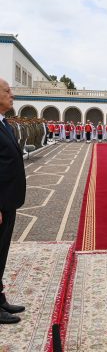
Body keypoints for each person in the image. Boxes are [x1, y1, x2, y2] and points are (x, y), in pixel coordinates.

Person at [0, 78, 27, 324]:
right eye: (7, 91)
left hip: (8, 200)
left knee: (1, 251)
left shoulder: (4, 123)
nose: (12, 95)